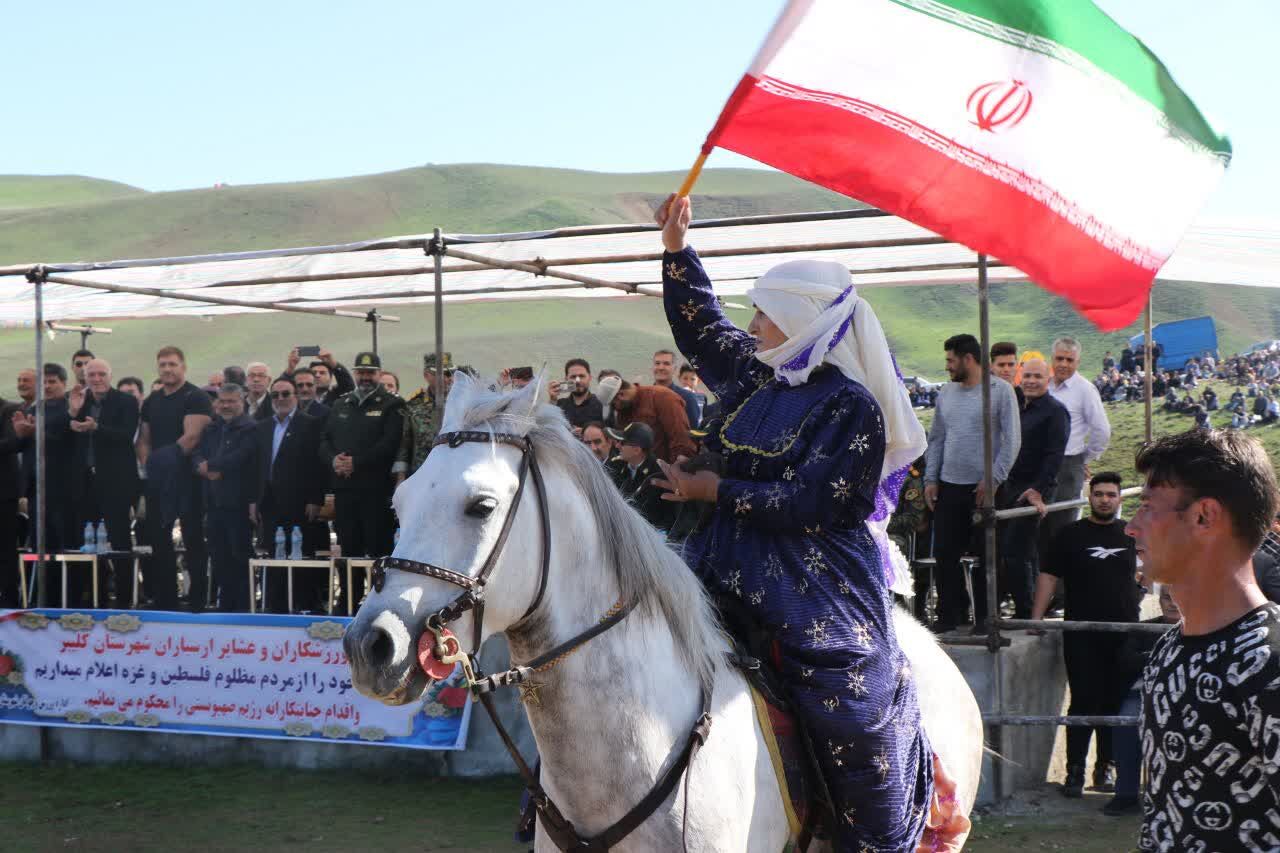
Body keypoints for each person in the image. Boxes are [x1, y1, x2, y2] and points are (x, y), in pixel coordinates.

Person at [650, 194, 961, 851]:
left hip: (813, 581)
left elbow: (820, 503)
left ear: (799, 318)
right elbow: (699, 324)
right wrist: (678, 249)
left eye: (765, 312)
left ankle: (871, 840)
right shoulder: (753, 374)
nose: (754, 322)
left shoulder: (852, 406)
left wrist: (715, 488)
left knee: (855, 709)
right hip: (719, 559)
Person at [1125, 430, 1280, 852]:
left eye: (1145, 508)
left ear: (1204, 517)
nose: (1130, 527)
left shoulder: (1272, 663)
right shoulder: (1169, 649)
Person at [1030, 472, 1139, 797]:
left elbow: (1158, 565)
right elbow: (1048, 577)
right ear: (1089, 497)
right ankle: (1074, 771)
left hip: (1124, 633)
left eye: (1111, 494)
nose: (1105, 499)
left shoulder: (1132, 533)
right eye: (1099, 494)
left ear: (1120, 498)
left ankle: (1105, 769)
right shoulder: (1070, 534)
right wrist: (1036, 617)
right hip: (1080, 632)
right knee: (1083, 701)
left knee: (1114, 703)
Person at [924, 333, 1021, 633]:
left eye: (951, 360)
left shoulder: (1000, 391)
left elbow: (1012, 440)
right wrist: (931, 478)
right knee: (944, 553)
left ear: (968, 359)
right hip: (950, 485)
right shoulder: (946, 394)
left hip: (985, 488)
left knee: (986, 554)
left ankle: (985, 617)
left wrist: (993, 479)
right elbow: (937, 437)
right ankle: (951, 613)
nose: (948, 367)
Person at [320, 351, 403, 602]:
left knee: (378, 549)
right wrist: (334, 460)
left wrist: (356, 463)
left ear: (379, 374)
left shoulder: (391, 404)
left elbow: (389, 444)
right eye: (361, 372)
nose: (365, 377)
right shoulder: (341, 403)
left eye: (371, 372)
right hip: (345, 491)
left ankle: (380, 599)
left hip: (375, 491)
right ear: (355, 374)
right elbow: (325, 439)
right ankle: (349, 598)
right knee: (349, 548)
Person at [137, 346, 213, 611]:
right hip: (159, 481)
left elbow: (192, 438)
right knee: (159, 540)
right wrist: (151, 464)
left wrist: (164, 461)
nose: (167, 369)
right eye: (163, 365)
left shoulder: (196, 396)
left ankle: (197, 599)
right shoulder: (151, 401)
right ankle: (165, 597)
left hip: (188, 479)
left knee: (193, 540)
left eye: (172, 364)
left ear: (183, 366)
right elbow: (144, 440)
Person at [999, 358, 1068, 619]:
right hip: (1013, 487)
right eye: (1026, 376)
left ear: (1047, 380)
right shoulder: (1019, 407)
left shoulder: (1055, 411)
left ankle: (1028, 610)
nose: (1031, 381)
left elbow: (1054, 456)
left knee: (1016, 550)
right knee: (1024, 550)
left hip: (1036, 489)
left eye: (1037, 377)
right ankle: (1031, 607)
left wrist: (1037, 490)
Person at [1042, 337, 1112, 593]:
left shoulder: (1084, 389)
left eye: (1069, 360)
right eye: (1059, 358)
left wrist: (1082, 458)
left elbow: (1102, 431)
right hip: (1040, 466)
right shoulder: (1044, 386)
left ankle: (1061, 595)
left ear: (1077, 362)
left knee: (1063, 530)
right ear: (1052, 359)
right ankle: (1041, 593)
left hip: (1068, 466)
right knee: (1039, 530)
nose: (1063, 364)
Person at [1104, 584, 1180, 818]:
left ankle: (1171, 798)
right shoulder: (1143, 629)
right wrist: (1163, 655)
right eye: (1167, 597)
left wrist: (1152, 658)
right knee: (1126, 722)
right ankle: (1125, 795)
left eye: (1178, 597)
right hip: (1141, 694)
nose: (1172, 603)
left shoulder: (1200, 630)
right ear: (1159, 600)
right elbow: (1125, 661)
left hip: (1181, 697)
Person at [69, 359, 140, 605]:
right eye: (91, 375)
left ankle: (124, 599)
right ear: (84, 377)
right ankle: (93, 596)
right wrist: (72, 413)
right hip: (85, 481)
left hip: (116, 482)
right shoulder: (79, 400)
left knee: (119, 541)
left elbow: (125, 435)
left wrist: (96, 428)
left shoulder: (125, 401)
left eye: (101, 374)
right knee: (87, 541)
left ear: (109, 376)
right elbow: (62, 431)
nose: (96, 379)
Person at [255, 376, 326, 613]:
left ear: (295, 396)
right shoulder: (263, 426)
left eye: (286, 394)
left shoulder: (310, 424)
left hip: (300, 503)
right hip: (270, 503)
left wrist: (316, 499)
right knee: (273, 556)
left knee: (300, 557)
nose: (281, 399)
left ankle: (304, 606)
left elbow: (317, 465)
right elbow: (258, 465)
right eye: (275, 395)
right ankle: (274, 607)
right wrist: (253, 500)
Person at [194, 385, 259, 612]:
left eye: (231, 401)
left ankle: (243, 607)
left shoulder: (251, 428)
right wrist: (203, 467)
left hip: (238, 504)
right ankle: (225, 605)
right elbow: (197, 454)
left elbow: (242, 456)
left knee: (239, 556)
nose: (226, 406)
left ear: (242, 402)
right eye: (222, 401)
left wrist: (213, 466)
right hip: (213, 503)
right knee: (219, 556)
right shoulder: (212, 428)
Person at [393, 352, 452, 485]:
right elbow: (405, 444)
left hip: (453, 474)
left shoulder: (461, 403)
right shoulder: (414, 405)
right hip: (421, 474)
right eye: (441, 374)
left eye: (449, 374)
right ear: (427, 375)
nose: (447, 378)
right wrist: (400, 479)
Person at [604, 423, 674, 532]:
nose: (617, 446)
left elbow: (667, 516)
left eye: (622, 443)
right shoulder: (616, 466)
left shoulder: (659, 474)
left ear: (637, 450)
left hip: (649, 534)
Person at [610, 379, 694, 464]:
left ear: (621, 395)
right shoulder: (624, 408)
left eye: (613, 404)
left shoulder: (662, 397)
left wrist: (676, 470)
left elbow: (680, 436)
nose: (615, 409)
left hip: (668, 470)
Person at [0, 396, 24, 607]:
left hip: (3, 493)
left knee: (5, 548)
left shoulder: (8, 409)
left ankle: (8, 600)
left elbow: (13, 443)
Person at [652, 349, 701, 428]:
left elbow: (693, 431)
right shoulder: (644, 396)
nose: (661, 367)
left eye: (666, 364)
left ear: (674, 369)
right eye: (657, 363)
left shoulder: (687, 398)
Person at [554, 358, 604, 433]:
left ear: (590, 378)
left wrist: (587, 433)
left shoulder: (602, 404)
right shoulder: (559, 404)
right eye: (573, 377)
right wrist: (552, 399)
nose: (578, 381)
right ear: (566, 379)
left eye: (582, 376)